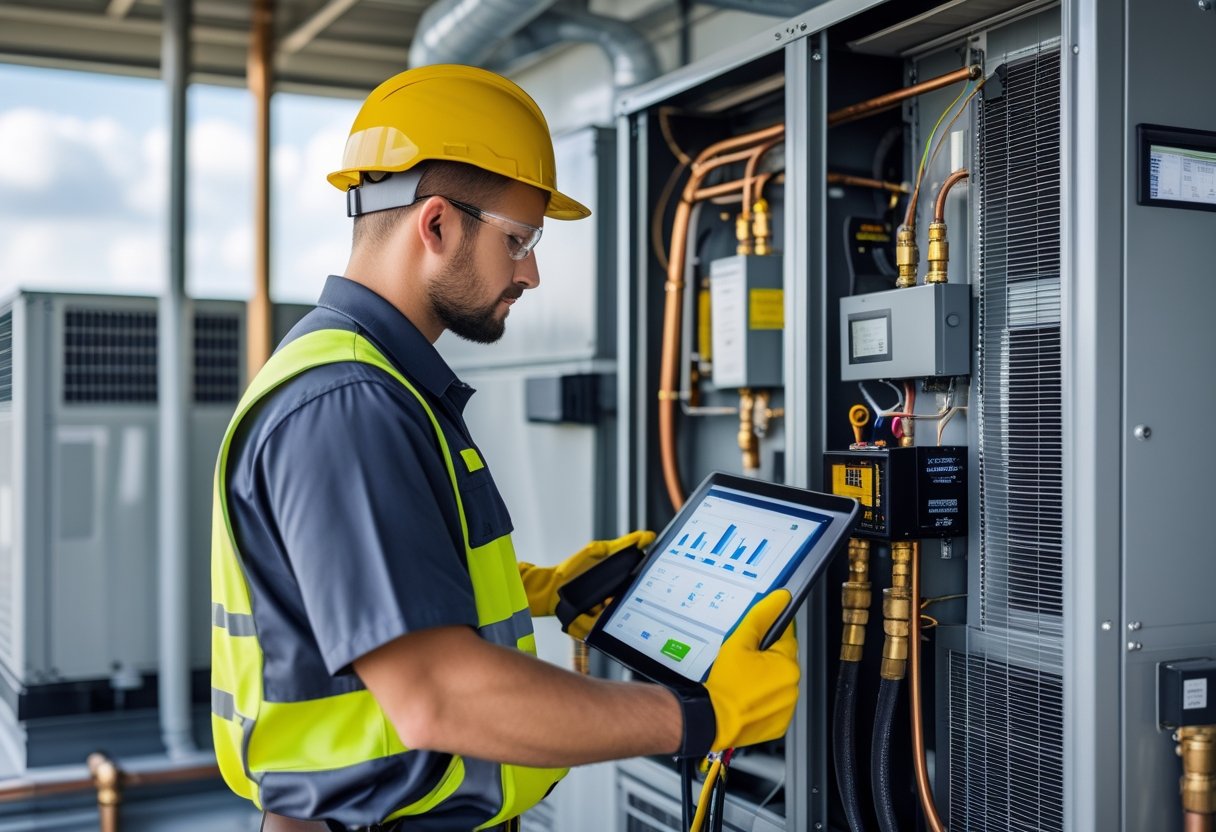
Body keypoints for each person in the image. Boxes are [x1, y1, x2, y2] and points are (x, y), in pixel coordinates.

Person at [210, 64, 801, 832]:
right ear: (436, 225)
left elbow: (354, 585)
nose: (530, 271)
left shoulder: (366, 380)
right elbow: (438, 696)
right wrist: (701, 714)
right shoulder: (349, 404)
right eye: (518, 240)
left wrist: (542, 588)